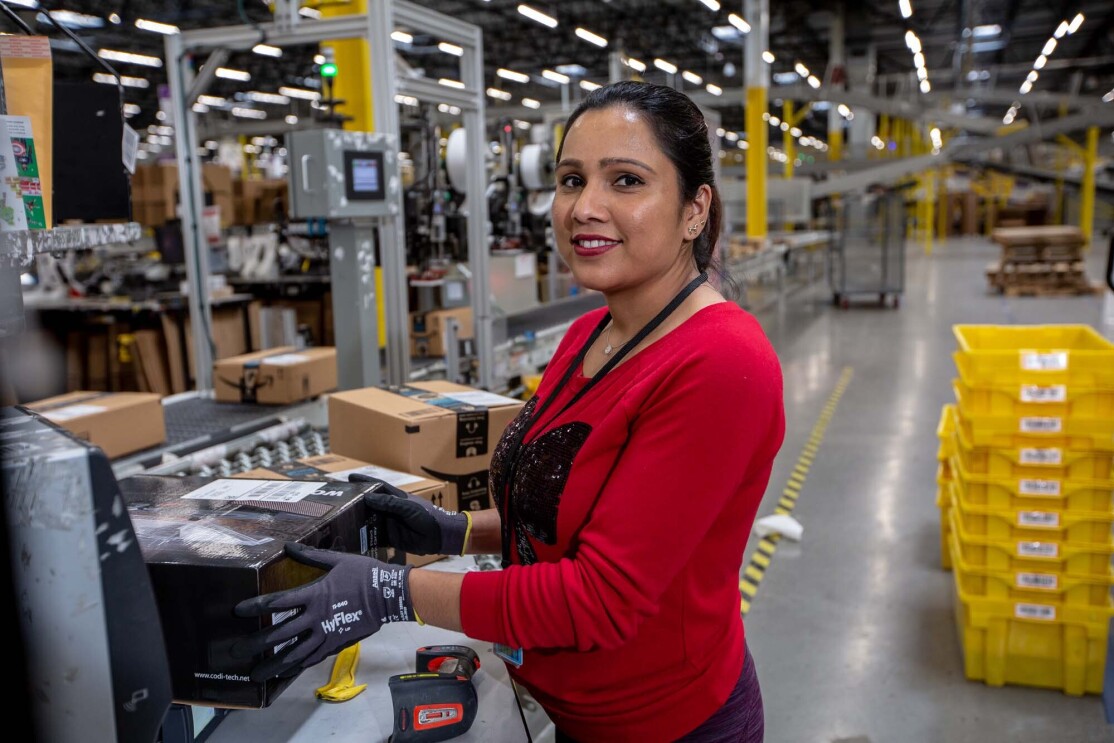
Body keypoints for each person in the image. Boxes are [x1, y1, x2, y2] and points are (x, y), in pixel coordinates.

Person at [232, 80, 785, 743]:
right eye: (571, 179)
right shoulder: (591, 334)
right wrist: (453, 532)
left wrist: (393, 591)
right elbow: (575, 511)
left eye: (627, 180)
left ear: (695, 209)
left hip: (668, 723)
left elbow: (601, 598)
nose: (585, 206)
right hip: (574, 710)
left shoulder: (722, 362)